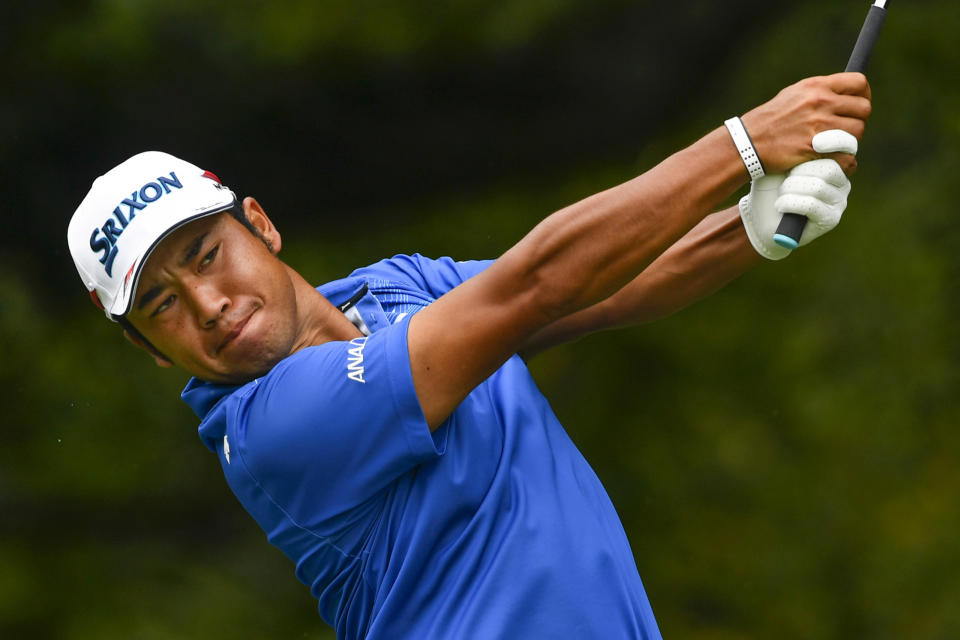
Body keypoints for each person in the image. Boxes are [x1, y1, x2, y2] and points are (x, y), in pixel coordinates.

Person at [67, 72, 870, 639]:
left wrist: (753, 226)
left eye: (207, 255)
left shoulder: (396, 288)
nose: (207, 305)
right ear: (152, 353)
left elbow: (606, 287)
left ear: (262, 226)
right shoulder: (270, 431)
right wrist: (743, 145)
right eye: (162, 305)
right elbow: (535, 285)